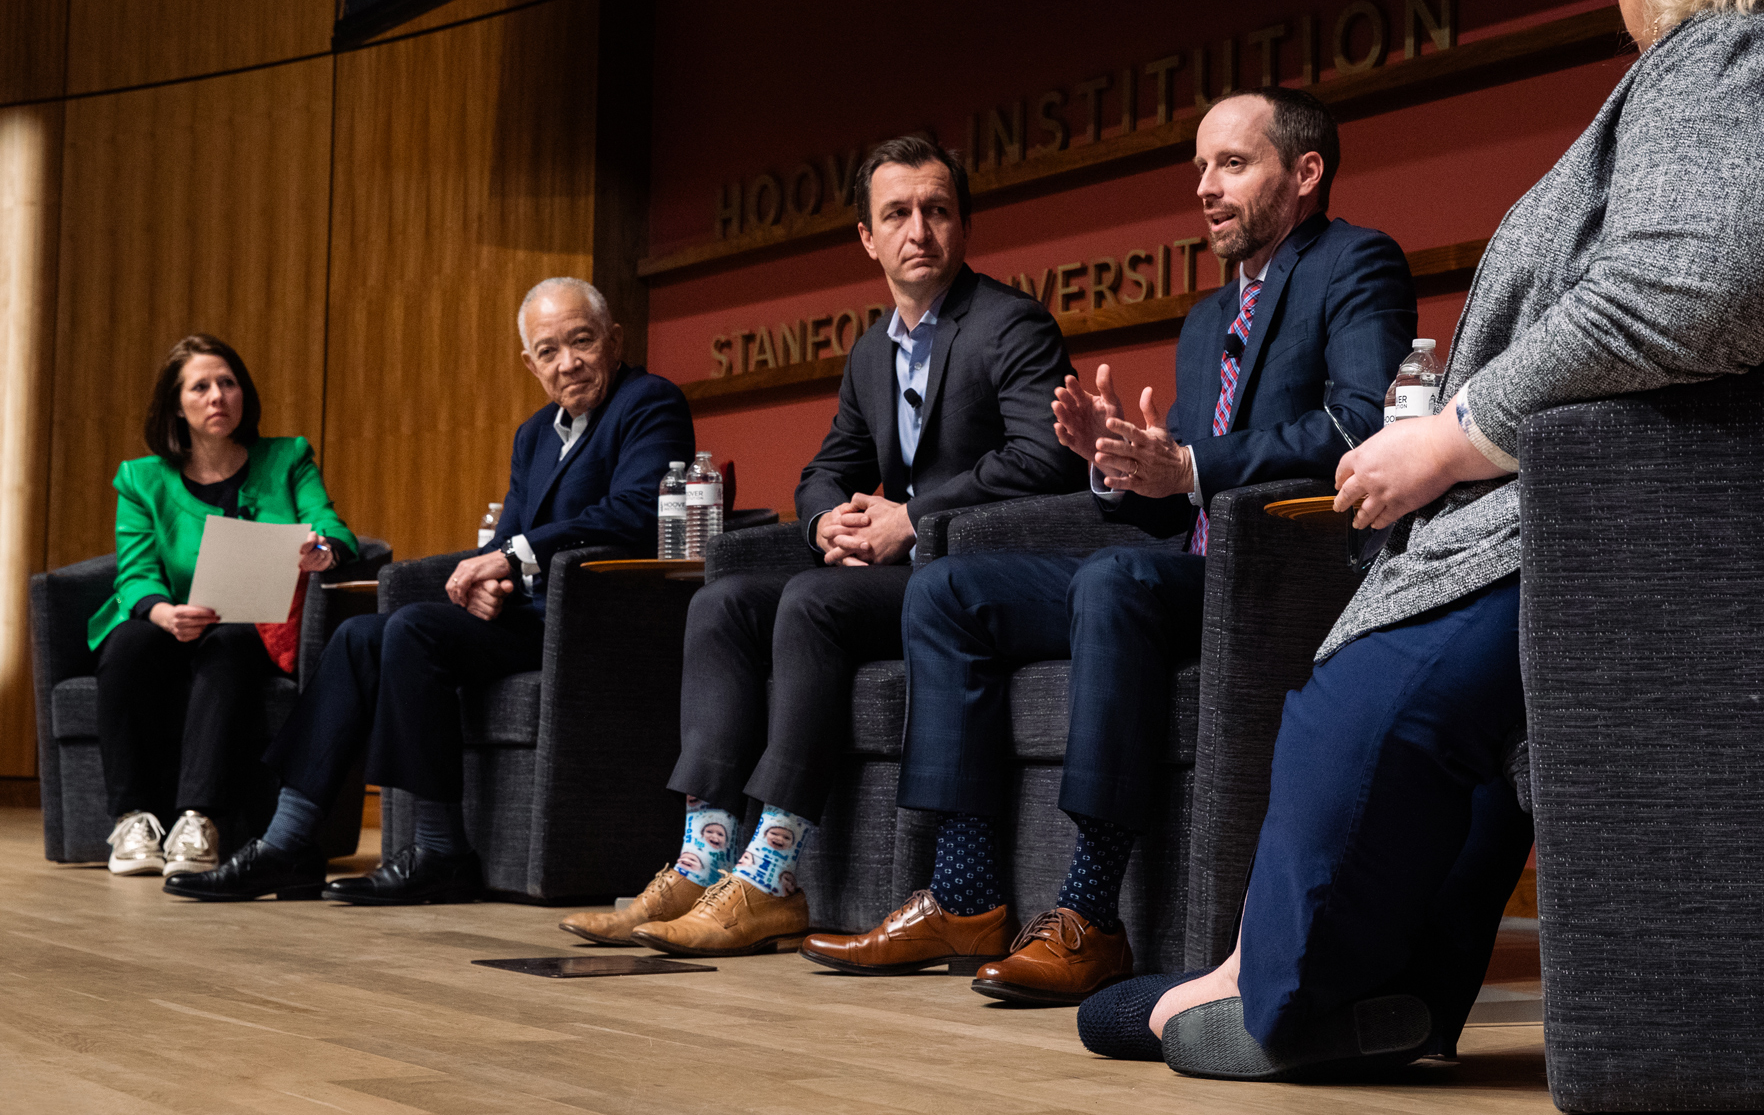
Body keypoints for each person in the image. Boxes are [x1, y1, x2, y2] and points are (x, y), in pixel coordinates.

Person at [1107, 0, 1764, 1080]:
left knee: (1370, 701)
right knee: (1430, 705)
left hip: (1676, 505)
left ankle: (1282, 996)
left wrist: (1459, 435)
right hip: (1704, 498)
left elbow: (1692, 292)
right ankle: (1355, 987)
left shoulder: (1749, 54)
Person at [803, 87, 1417, 1002]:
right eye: (1199, 168)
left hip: (1283, 573)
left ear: (1306, 174)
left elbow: (1361, 426)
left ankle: (1091, 913)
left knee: (1114, 582)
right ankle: (967, 894)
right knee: (948, 588)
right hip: (1189, 563)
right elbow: (1168, 495)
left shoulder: (1355, 263)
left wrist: (1189, 464)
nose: (1206, 187)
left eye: (1232, 165)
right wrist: (1114, 464)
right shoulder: (1209, 318)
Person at [557, 135, 1084, 954]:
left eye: (938, 211)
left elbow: (1044, 458)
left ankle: (772, 874)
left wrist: (913, 517)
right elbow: (824, 467)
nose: (920, 229)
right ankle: (702, 854)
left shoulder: (1010, 324)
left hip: (964, 575)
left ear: (964, 226)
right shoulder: (872, 350)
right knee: (724, 601)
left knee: (811, 600)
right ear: (868, 238)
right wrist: (822, 520)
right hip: (888, 575)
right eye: (898, 214)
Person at [166, 278, 694, 902]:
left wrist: (506, 560)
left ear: (615, 340)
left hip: (595, 619)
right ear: (530, 364)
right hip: (530, 614)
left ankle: (441, 853)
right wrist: (487, 579)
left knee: (413, 630)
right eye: (548, 351)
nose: (568, 363)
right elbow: (515, 533)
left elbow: (636, 511)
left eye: (582, 342)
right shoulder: (534, 434)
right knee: (361, 634)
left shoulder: (649, 402)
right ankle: (288, 842)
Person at [91, 334, 357, 881]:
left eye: (228, 383)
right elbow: (136, 570)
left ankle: (197, 820)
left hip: (250, 623)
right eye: (201, 386)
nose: (218, 397)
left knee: (232, 642)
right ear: (176, 404)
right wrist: (162, 611)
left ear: (244, 394)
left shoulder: (288, 458)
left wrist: (322, 552)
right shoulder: (141, 478)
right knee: (127, 643)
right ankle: (134, 820)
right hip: (168, 621)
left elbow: (329, 524)